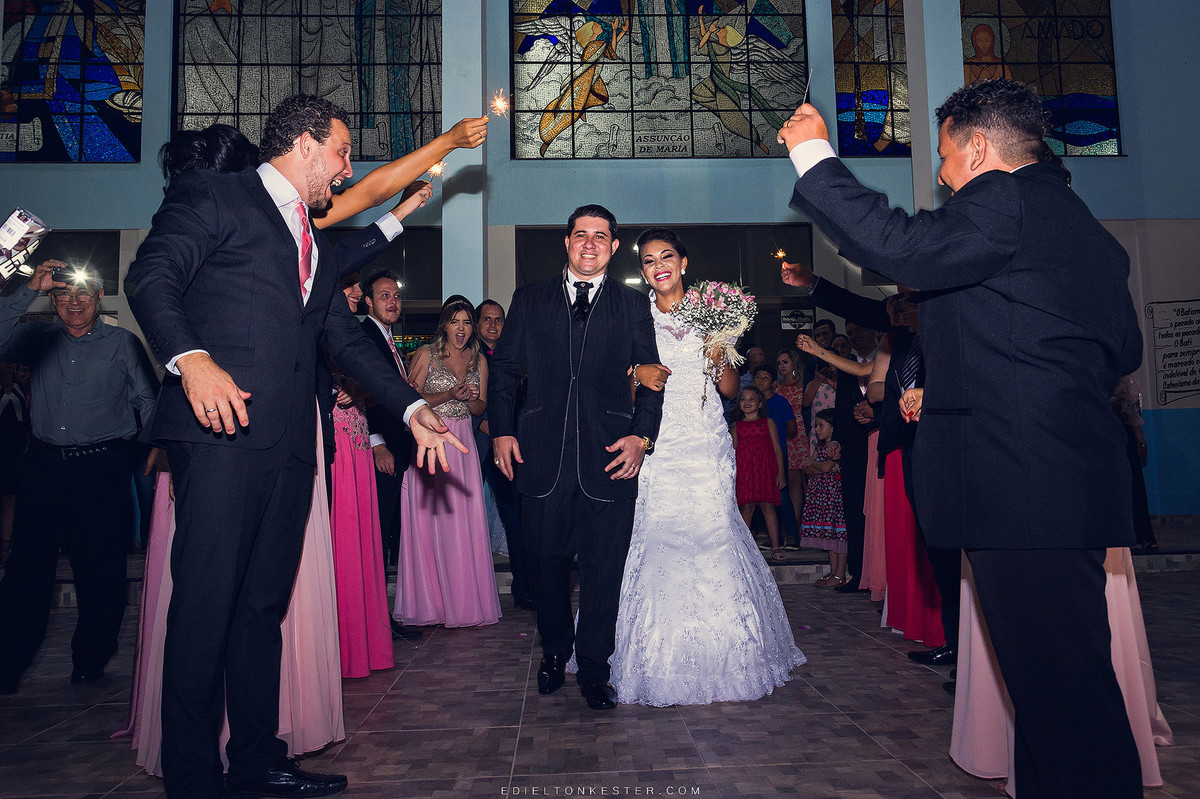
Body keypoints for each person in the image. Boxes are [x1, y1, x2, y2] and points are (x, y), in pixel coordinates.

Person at [779, 78, 1143, 797]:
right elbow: (1123, 349)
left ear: (978, 149)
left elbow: (898, 245)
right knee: (1055, 692)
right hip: (1060, 479)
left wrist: (813, 155)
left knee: (1065, 701)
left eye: (944, 157)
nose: (942, 175)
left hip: (1021, 482)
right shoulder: (1083, 228)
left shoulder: (1006, 200)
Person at [125, 94, 467, 799]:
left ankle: (257, 761)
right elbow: (148, 276)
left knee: (260, 611)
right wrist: (191, 358)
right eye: (342, 153)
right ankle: (193, 779)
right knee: (205, 608)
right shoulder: (215, 195)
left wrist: (410, 408)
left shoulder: (307, 238)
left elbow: (337, 339)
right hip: (219, 436)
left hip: (289, 447)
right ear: (306, 142)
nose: (346, 171)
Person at [609, 227, 804, 706]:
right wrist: (635, 373)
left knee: (716, 531)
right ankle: (653, 651)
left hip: (706, 439)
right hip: (657, 441)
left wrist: (719, 357)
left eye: (667, 256)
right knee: (657, 532)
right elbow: (611, 375)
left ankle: (730, 651)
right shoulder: (634, 318)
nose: (659, 265)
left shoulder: (712, 313)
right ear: (643, 270)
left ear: (684, 262)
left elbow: (731, 390)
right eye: (650, 259)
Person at [489, 204, 663, 712]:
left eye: (600, 236)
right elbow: (504, 376)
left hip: (611, 459)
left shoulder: (633, 306)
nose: (589, 244)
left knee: (604, 570)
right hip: (542, 458)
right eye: (580, 235)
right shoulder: (529, 299)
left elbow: (653, 381)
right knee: (545, 566)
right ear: (566, 243)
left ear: (612, 247)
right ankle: (553, 654)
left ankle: (593, 669)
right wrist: (501, 431)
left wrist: (640, 438)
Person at [0, 262, 157, 694]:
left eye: (84, 293)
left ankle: (91, 660)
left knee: (102, 569)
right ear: (52, 300)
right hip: (43, 467)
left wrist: (161, 451)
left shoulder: (123, 343)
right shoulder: (36, 339)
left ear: (99, 297)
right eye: (64, 294)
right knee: (25, 569)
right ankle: (7, 665)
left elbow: (149, 400)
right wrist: (28, 288)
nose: (75, 302)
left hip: (101, 467)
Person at [394, 297, 501, 628]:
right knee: (429, 522)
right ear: (444, 324)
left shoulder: (478, 360)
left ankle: (464, 603)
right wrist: (449, 395)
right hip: (431, 441)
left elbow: (482, 408)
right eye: (456, 322)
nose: (462, 329)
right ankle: (430, 604)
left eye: (467, 323)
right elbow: (407, 397)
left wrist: (471, 399)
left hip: (464, 444)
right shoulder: (426, 354)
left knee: (462, 524)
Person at [328, 277, 395, 677]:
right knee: (341, 537)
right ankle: (340, 639)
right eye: (349, 288)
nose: (355, 295)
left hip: (356, 435)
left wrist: (360, 389)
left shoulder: (349, 331)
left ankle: (366, 637)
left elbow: (374, 388)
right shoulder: (316, 325)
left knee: (365, 537)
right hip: (333, 441)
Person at [474, 299, 533, 610]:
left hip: (514, 449)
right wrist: (496, 434)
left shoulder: (514, 356)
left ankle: (525, 587)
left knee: (518, 518)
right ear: (477, 323)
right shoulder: (471, 356)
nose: (493, 325)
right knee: (487, 519)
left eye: (499, 320)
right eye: (487, 320)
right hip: (481, 449)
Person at [732, 385, 787, 562]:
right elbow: (733, 452)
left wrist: (780, 473)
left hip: (764, 470)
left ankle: (775, 546)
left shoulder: (768, 423)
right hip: (745, 471)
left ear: (760, 403)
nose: (747, 402)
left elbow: (778, 449)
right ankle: (745, 547)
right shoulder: (737, 426)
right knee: (746, 508)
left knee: (768, 507)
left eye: (751, 399)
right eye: (743, 399)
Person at [800, 409, 847, 585]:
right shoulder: (820, 447)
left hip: (834, 498)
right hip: (822, 497)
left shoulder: (836, 449)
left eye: (821, 426)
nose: (817, 429)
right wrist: (815, 465)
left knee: (839, 536)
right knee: (829, 536)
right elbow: (806, 468)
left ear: (833, 428)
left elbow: (826, 467)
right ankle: (833, 571)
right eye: (816, 426)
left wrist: (814, 464)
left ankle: (840, 574)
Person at [774, 347, 807, 549]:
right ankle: (793, 528)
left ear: (794, 363)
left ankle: (808, 526)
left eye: (785, 362)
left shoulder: (803, 385)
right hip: (786, 436)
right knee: (792, 481)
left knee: (807, 480)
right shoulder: (776, 388)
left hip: (804, 433)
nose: (781, 366)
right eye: (779, 363)